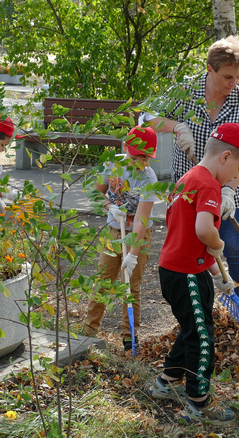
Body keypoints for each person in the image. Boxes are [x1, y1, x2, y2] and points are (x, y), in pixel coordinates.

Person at [147, 123, 239, 425]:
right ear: (225, 157)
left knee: (191, 327)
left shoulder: (187, 178)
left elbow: (189, 236)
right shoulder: (209, 185)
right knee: (202, 337)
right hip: (187, 275)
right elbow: (204, 231)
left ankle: (166, 382)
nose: (237, 180)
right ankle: (199, 403)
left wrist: (216, 273)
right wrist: (219, 242)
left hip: (174, 269)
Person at [142, 35, 239, 309]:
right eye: (228, 76)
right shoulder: (185, 91)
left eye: (238, 77)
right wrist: (177, 127)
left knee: (233, 248)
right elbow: (144, 117)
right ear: (209, 68)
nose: (234, 83)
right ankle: (197, 312)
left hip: (227, 192)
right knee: (192, 249)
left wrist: (228, 190)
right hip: (188, 192)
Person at [81, 126, 159, 353]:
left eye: (145, 158)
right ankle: (88, 331)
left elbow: (141, 221)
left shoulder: (148, 178)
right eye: (136, 156)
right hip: (113, 232)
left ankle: (129, 337)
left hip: (138, 236)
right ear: (126, 148)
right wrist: (110, 206)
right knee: (103, 281)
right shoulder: (112, 166)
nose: (140, 163)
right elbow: (95, 192)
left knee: (130, 287)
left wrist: (133, 254)